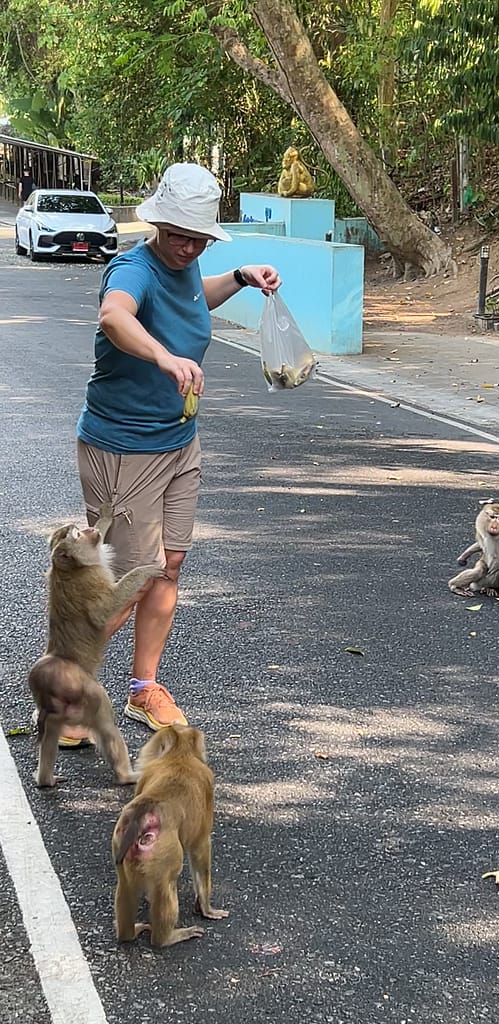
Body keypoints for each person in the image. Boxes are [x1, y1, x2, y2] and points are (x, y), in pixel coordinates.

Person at [66, 163, 281, 744]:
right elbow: (116, 315)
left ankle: (143, 688)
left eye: (199, 239)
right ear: (157, 224)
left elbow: (191, 301)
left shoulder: (186, 265)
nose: (188, 247)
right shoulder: (133, 266)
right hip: (123, 447)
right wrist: (162, 357)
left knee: (168, 565)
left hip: (178, 441)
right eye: (179, 235)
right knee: (124, 581)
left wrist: (237, 274)